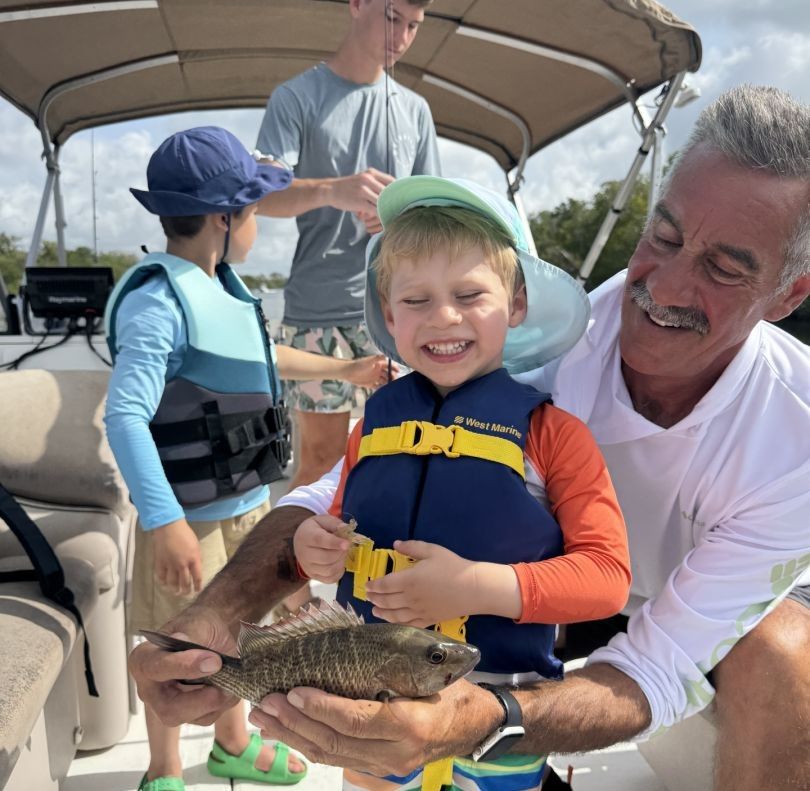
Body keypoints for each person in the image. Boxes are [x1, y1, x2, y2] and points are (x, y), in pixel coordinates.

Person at [127, 85, 810, 791]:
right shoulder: (519, 347)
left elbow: (660, 663)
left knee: (782, 651)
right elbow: (332, 488)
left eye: (725, 268)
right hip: (529, 602)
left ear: (789, 296)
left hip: (689, 608)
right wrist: (216, 619)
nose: (664, 287)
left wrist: (488, 714)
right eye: (662, 237)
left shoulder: (798, 442)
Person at [292, 176, 630, 791]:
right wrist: (313, 542)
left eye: (470, 293)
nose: (443, 317)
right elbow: (340, 520)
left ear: (517, 305)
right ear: (389, 315)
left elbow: (607, 580)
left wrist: (475, 586)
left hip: (497, 721)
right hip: (376, 708)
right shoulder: (372, 424)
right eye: (415, 301)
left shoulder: (555, 436)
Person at [106, 126, 390, 791]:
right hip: (190, 518)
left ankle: (231, 744)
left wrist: (347, 367)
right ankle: (164, 765)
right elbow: (125, 414)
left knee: (239, 636)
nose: (259, 223)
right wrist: (164, 520)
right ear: (223, 217)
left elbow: (267, 360)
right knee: (181, 644)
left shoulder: (229, 289)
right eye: (256, 210)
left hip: (247, 507)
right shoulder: (158, 299)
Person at [254, 0, 440, 536]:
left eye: (413, 25)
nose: (401, 37)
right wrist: (334, 189)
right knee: (318, 467)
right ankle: (293, 609)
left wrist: (402, 215)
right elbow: (261, 195)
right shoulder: (296, 98)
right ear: (356, 1)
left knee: (402, 461)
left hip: (400, 314)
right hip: (318, 314)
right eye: (393, 17)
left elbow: (434, 215)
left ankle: (376, 604)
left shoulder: (416, 112)